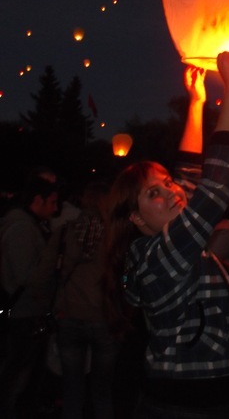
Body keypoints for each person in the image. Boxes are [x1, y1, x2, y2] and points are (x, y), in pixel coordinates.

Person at [104, 52, 229, 419]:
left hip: (196, 403)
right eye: (154, 192)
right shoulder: (159, 257)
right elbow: (215, 187)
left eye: (167, 183)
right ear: (135, 217)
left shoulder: (159, 247)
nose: (172, 192)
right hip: (181, 408)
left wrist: (196, 103)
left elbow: (189, 176)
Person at [32, 180, 117, 419]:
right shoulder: (114, 236)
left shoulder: (65, 232)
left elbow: (41, 276)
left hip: (68, 315)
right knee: (102, 390)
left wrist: (46, 303)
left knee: (71, 388)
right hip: (104, 317)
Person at [0, 175, 59, 419]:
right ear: (37, 200)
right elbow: (27, 276)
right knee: (18, 370)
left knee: (19, 368)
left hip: (25, 310)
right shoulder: (23, 228)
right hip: (24, 312)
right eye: (52, 202)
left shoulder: (26, 225)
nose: (55, 208)